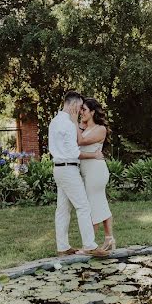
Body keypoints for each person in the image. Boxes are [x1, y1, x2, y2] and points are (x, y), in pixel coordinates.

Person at [49, 91, 108, 257]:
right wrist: (94, 155)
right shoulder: (68, 124)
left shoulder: (54, 122)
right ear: (74, 104)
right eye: (80, 106)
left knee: (62, 209)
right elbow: (75, 152)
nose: (80, 110)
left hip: (58, 169)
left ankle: (63, 247)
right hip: (68, 169)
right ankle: (90, 245)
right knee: (83, 206)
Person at [77, 98, 115, 252]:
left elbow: (79, 142)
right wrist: (80, 124)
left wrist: (76, 124)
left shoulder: (100, 129)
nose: (81, 112)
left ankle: (89, 244)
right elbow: (75, 151)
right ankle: (109, 238)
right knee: (99, 203)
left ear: (92, 112)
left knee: (92, 205)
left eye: (84, 109)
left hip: (96, 171)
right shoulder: (83, 128)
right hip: (87, 171)